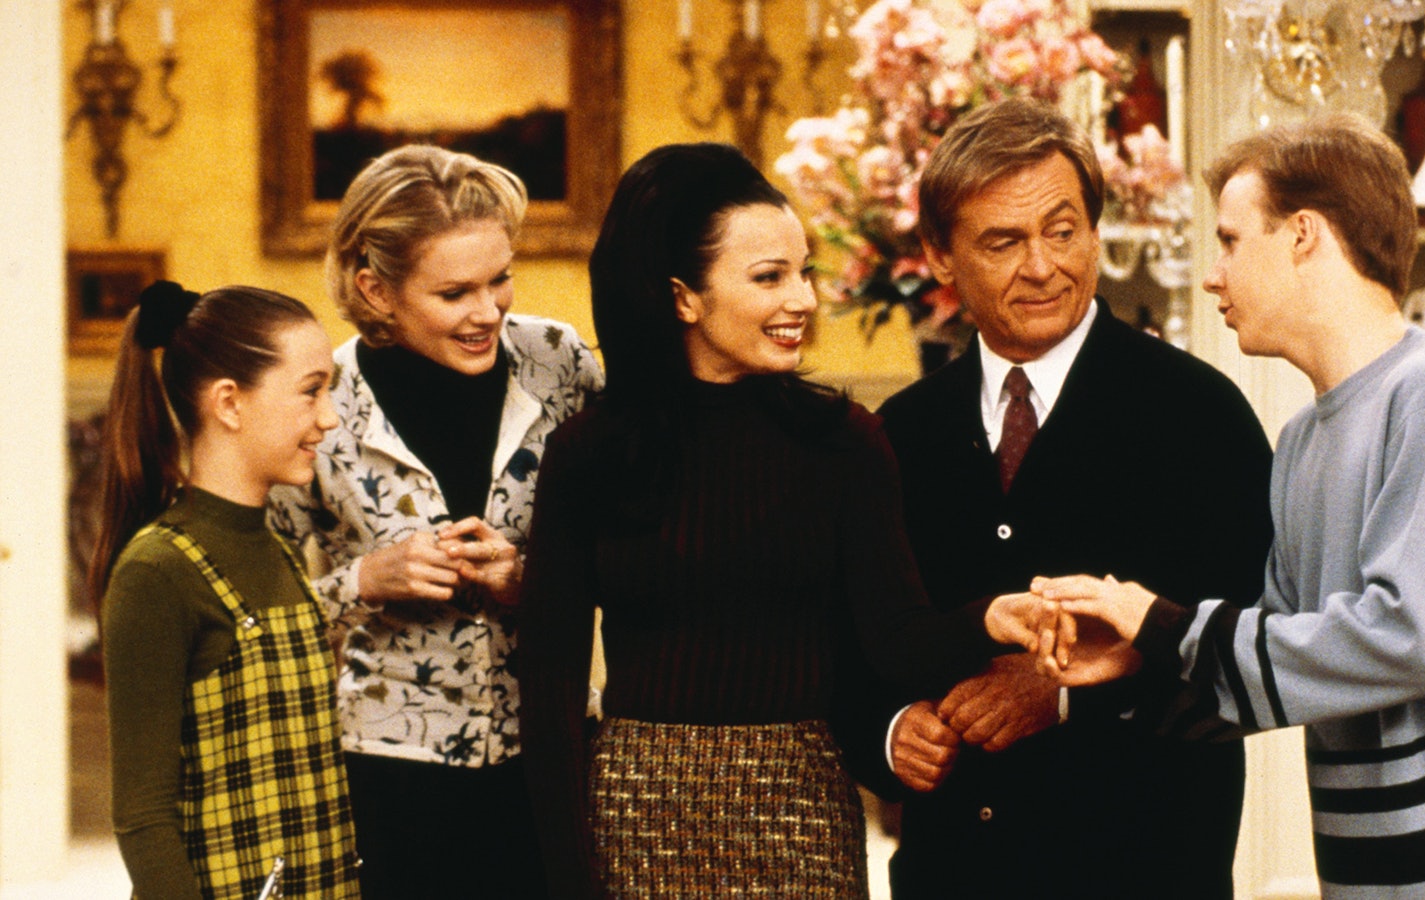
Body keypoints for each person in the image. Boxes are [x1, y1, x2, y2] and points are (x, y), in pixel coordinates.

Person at [1015, 114, 1425, 898]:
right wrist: (1140, 665)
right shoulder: (1301, 440)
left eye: (1230, 240)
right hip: (1370, 880)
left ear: (1304, 236)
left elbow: (1414, 641)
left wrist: (1165, 624)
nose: (1213, 275)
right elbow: (1291, 657)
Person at [518, 142, 1021, 898]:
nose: (804, 300)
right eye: (770, 277)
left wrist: (994, 617)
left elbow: (898, 640)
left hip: (800, 811)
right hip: (635, 815)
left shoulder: (847, 442)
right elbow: (549, 686)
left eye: (804, 272)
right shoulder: (588, 453)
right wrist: (569, 883)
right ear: (684, 297)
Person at [837, 97, 1276, 898]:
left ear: (1096, 232)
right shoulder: (893, 436)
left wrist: (1070, 699)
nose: (1043, 267)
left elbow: (1256, 646)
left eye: (1063, 230)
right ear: (939, 256)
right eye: (1004, 242)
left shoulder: (1199, 415)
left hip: (1147, 875)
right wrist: (890, 733)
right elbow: (847, 650)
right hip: (950, 878)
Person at [268, 144, 602, 898]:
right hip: (387, 778)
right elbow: (258, 615)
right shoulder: (323, 401)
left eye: (500, 278)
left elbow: (638, 546)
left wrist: (531, 579)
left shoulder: (561, 363)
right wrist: (363, 580)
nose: (488, 311)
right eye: (455, 293)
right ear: (375, 290)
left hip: (553, 756)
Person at [93, 281, 358, 899]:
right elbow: (143, 818)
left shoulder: (281, 553)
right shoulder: (158, 571)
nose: (329, 417)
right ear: (230, 403)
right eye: (311, 391)